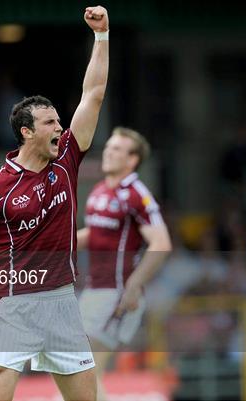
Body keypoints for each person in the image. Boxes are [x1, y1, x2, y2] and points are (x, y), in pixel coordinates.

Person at [0, 6, 108, 401]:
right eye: (51, 123)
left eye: (59, 121)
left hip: (61, 301)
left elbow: (93, 94)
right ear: (27, 132)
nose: (61, 127)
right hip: (13, 305)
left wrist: (102, 37)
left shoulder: (68, 159)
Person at [77, 127, 172, 401]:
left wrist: (134, 284)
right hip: (94, 291)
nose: (108, 151)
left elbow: (161, 242)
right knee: (78, 370)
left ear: (132, 159)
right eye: (108, 146)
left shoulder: (135, 193)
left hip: (117, 294)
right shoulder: (98, 191)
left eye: (117, 149)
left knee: (83, 368)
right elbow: (94, 234)